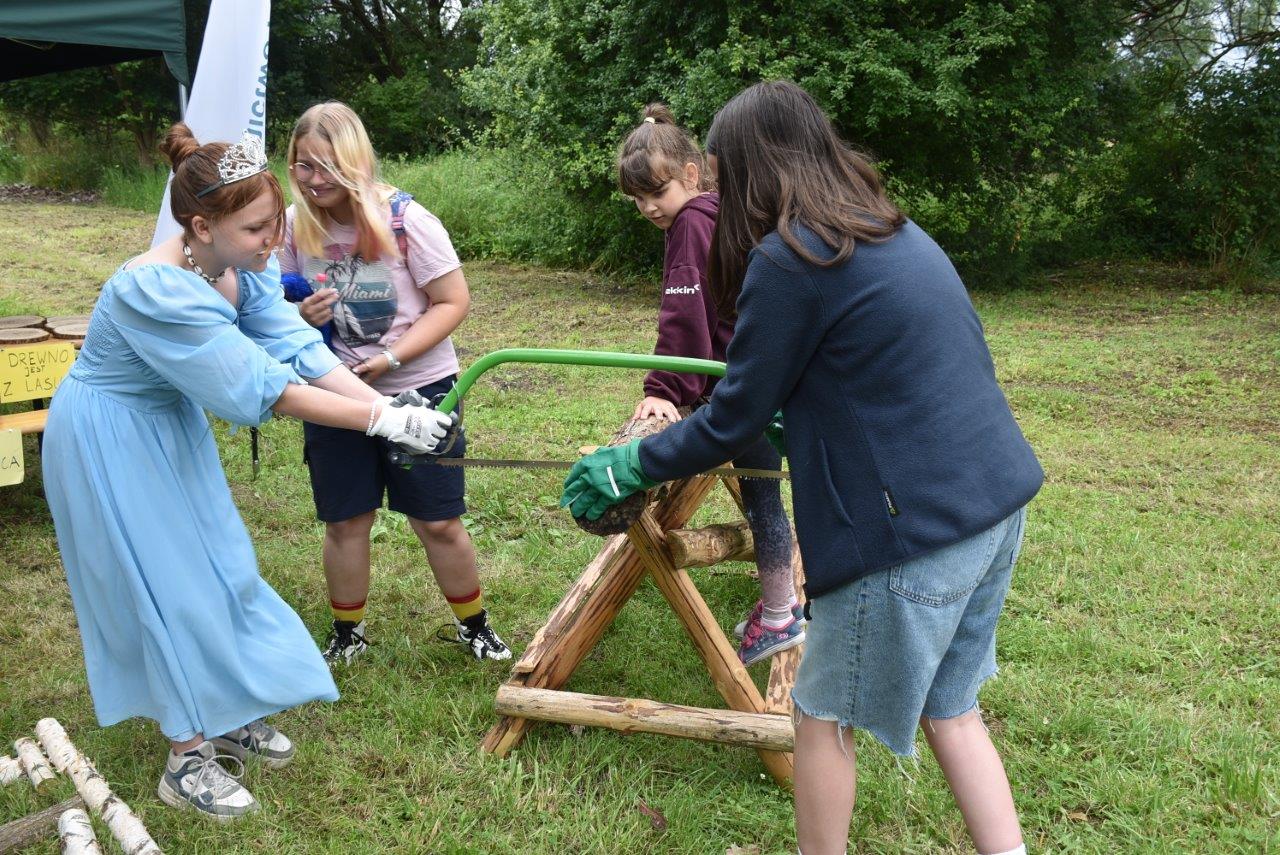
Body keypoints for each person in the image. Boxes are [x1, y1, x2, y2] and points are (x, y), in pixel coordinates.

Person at [562, 82, 1042, 855]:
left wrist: (630, 464)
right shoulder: (889, 229)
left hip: (913, 529)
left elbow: (733, 417)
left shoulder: (793, 257)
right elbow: (882, 365)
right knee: (952, 708)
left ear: (748, 168)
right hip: (995, 505)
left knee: (820, 717)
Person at [41, 123, 453, 820]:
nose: (274, 238)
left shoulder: (239, 265)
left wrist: (386, 406)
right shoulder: (153, 289)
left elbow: (296, 348)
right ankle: (186, 755)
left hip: (166, 423)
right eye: (258, 228)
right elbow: (266, 388)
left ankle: (226, 709)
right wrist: (378, 422)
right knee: (164, 583)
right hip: (108, 435)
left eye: (272, 223)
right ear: (202, 227)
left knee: (221, 564)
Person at [281, 101, 510, 665]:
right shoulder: (291, 225)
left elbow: (452, 301)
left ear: (356, 162)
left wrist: (391, 357)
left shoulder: (408, 221)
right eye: (303, 165)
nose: (314, 180)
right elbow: (272, 309)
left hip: (421, 390)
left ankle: (475, 627)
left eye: (327, 166)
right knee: (345, 520)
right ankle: (347, 634)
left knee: (438, 520)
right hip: (333, 395)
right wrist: (301, 317)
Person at [616, 103, 801, 665]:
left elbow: (685, 315)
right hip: (762, 376)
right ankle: (787, 605)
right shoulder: (723, 211)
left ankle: (779, 617)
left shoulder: (691, 223)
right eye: (638, 198)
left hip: (730, 387)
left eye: (658, 192)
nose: (649, 207)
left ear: (692, 174)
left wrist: (664, 387)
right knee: (766, 494)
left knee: (760, 493)